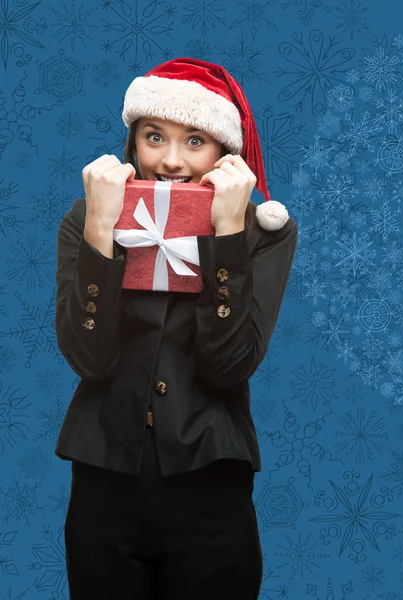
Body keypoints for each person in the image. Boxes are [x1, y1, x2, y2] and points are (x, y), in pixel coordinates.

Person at [53, 58, 298, 600]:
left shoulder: (264, 232)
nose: (170, 160)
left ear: (224, 153)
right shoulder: (87, 216)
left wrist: (227, 234)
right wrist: (100, 229)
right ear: (133, 143)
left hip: (210, 485)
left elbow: (228, 365)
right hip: (104, 482)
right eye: (154, 136)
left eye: (195, 141)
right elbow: (87, 358)